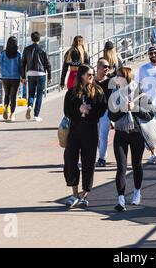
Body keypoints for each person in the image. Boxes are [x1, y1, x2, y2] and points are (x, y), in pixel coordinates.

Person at [108, 67, 154, 211]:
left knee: (136, 165)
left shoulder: (139, 91)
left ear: (128, 77)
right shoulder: (114, 93)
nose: (117, 78)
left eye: (120, 76)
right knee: (121, 167)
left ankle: (137, 192)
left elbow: (150, 114)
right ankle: (120, 199)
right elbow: (111, 116)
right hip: (121, 132)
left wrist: (135, 108)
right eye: (116, 76)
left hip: (136, 133)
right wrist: (122, 109)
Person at [63, 65, 107, 208]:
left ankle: (85, 194)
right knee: (70, 160)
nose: (91, 76)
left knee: (88, 163)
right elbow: (67, 111)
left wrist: (89, 112)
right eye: (89, 74)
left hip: (90, 130)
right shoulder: (71, 93)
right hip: (75, 130)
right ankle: (74, 193)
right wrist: (79, 110)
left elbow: (102, 109)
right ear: (81, 75)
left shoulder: (98, 91)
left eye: (92, 74)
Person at [21, 32, 52, 122]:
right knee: (39, 94)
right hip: (41, 74)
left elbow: (22, 64)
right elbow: (48, 64)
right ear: (39, 39)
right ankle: (36, 115)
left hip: (30, 74)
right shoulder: (43, 49)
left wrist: (23, 76)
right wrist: (50, 76)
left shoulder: (26, 49)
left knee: (31, 93)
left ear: (31, 39)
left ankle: (30, 105)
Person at [0, 36, 22, 122]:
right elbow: (21, 67)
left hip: (5, 78)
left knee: (6, 94)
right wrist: (23, 77)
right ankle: (12, 114)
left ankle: (5, 108)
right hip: (15, 78)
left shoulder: (2, 54)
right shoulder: (18, 54)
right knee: (13, 96)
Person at [95, 58, 113, 167]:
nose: (107, 68)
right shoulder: (92, 81)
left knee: (103, 135)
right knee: (95, 136)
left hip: (106, 112)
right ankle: (102, 153)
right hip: (93, 112)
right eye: (104, 66)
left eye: (108, 66)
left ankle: (101, 158)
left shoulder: (111, 81)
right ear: (98, 68)